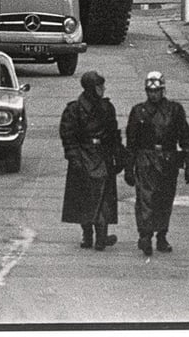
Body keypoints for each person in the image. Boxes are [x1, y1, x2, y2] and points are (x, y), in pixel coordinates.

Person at [124, 71, 189, 256]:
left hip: (168, 158)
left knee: (165, 198)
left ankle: (162, 235)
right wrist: (128, 168)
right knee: (145, 198)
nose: (153, 94)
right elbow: (131, 142)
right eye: (150, 91)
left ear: (163, 90)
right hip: (146, 159)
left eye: (156, 91)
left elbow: (185, 138)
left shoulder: (175, 110)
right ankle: (145, 236)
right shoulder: (138, 111)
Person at [60, 71, 124, 251]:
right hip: (83, 154)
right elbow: (68, 135)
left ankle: (101, 236)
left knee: (104, 197)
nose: (103, 89)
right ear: (90, 88)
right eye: (99, 86)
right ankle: (87, 234)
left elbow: (113, 134)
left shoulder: (107, 108)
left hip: (102, 154)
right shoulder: (74, 109)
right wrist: (74, 157)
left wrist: (119, 156)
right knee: (84, 197)